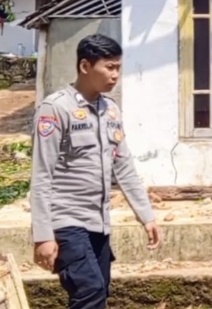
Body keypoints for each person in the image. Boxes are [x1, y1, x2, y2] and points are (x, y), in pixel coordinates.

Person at [29, 34, 161, 309]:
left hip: (98, 222)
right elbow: (42, 175)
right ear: (85, 66)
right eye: (109, 68)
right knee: (90, 291)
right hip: (66, 221)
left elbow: (124, 166)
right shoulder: (55, 109)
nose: (115, 76)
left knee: (99, 292)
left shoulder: (110, 110)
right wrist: (43, 235)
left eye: (118, 68)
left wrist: (146, 216)